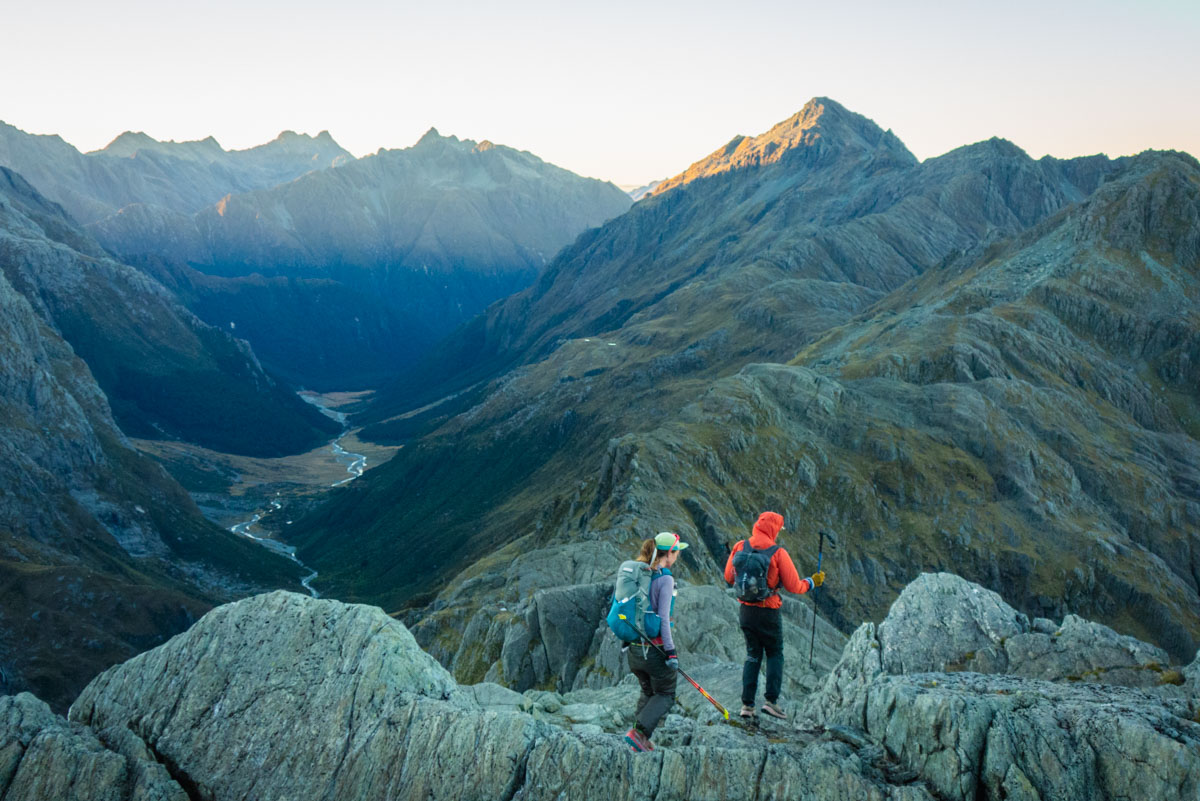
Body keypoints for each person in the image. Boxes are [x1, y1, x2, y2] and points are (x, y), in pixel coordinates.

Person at [723, 511, 825, 720]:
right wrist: (813, 582)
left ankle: (747, 706)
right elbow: (794, 586)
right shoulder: (778, 553)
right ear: (773, 528)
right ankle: (771, 702)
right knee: (774, 654)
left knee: (752, 655)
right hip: (768, 611)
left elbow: (728, 576)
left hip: (746, 611)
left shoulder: (740, 546)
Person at [623, 531, 686, 752]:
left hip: (634, 648)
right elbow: (664, 620)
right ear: (668, 554)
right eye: (676, 551)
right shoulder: (665, 579)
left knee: (648, 692)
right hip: (655, 650)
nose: (678, 556)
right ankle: (638, 733)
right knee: (666, 694)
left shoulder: (639, 574)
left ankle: (638, 739)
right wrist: (671, 652)